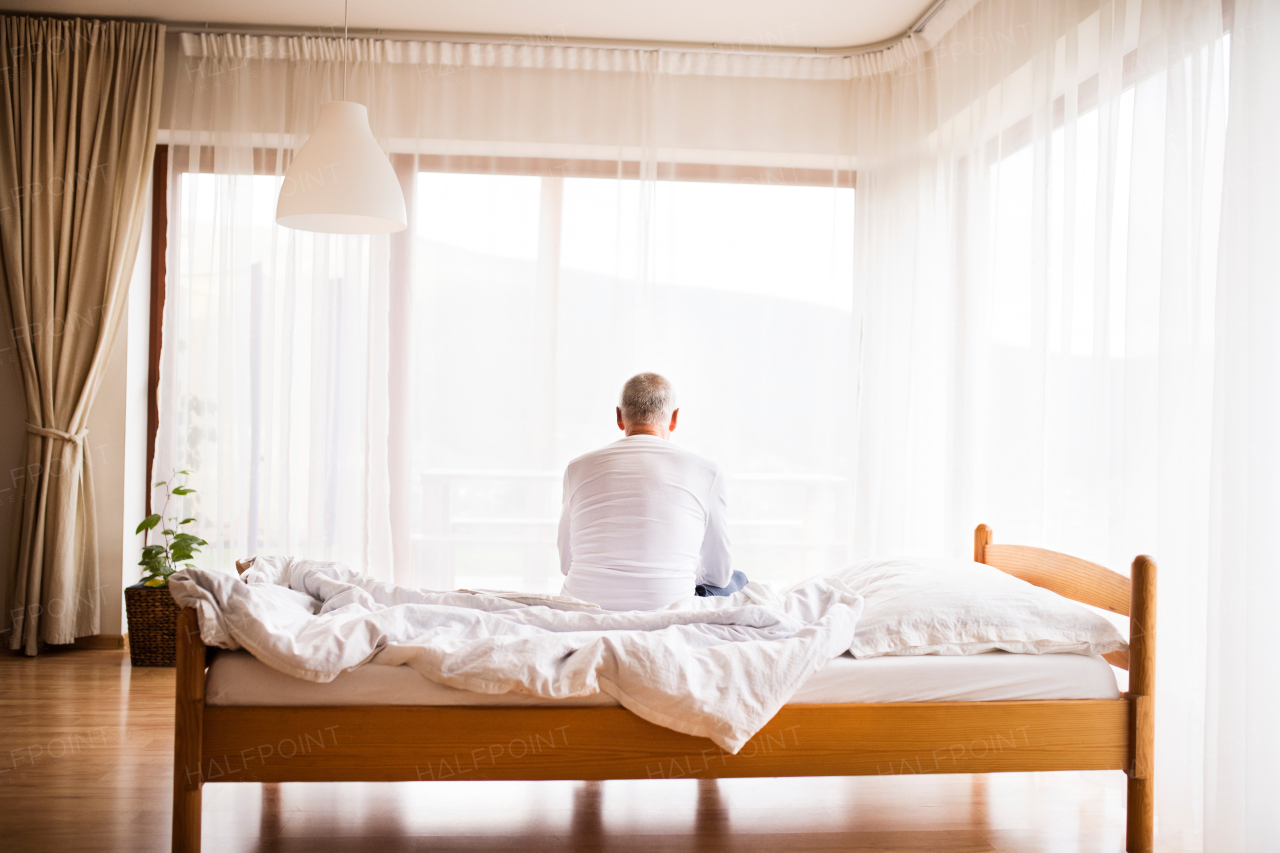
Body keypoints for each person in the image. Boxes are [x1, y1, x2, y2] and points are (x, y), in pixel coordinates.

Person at [558, 373, 743, 611]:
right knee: (738, 579)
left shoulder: (576, 468)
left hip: (581, 606)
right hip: (666, 607)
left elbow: (566, 565)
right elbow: (719, 576)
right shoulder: (707, 472)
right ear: (674, 418)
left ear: (619, 417)